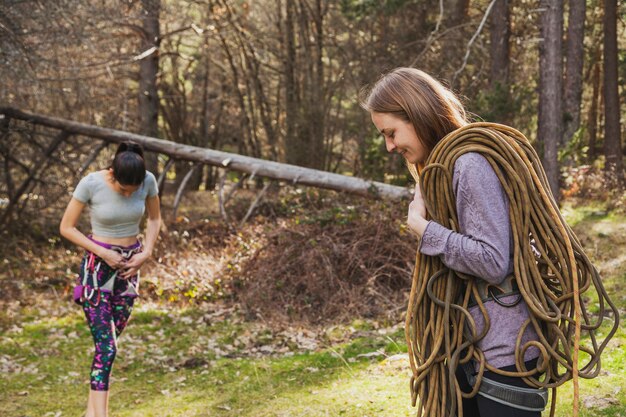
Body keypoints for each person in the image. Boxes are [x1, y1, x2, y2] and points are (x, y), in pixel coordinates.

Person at [361, 68, 544, 417]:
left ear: (416, 115)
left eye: (391, 133)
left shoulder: (469, 164)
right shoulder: (444, 167)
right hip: (472, 349)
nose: (389, 146)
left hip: (505, 356)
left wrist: (422, 228)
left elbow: (492, 261)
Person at [60, 142, 161, 417]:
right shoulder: (91, 183)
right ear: (112, 174)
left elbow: (154, 219)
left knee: (108, 348)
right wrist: (103, 252)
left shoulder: (148, 181)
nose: (129, 194)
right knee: (107, 346)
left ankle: (91, 413)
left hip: (128, 271)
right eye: (123, 189)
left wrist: (147, 252)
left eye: (134, 190)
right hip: (97, 270)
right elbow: (66, 227)